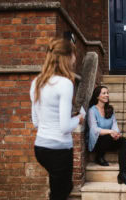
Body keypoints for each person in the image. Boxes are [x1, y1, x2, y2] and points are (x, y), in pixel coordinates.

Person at [30, 38, 84, 200]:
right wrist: (80, 118)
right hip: (59, 151)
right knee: (61, 193)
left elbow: (35, 121)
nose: (75, 59)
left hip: (40, 148)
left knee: (61, 189)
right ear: (67, 57)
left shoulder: (37, 82)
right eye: (74, 54)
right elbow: (65, 127)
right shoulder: (65, 84)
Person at [87, 86, 126, 186]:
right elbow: (94, 129)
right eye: (104, 93)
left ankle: (123, 173)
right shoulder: (92, 110)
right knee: (107, 136)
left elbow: (114, 125)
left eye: (107, 93)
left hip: (108, 139)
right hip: (97, 142)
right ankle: (99, 156)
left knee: (124, 141)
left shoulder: (110, 109)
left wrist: (116, 134)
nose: (107, 95)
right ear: (97, 96)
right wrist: (110, 132)